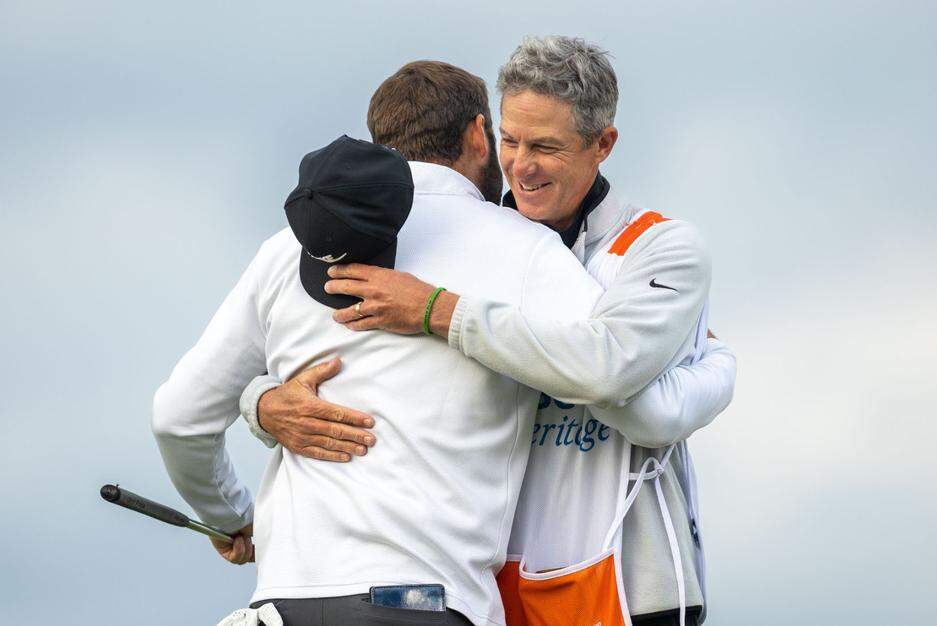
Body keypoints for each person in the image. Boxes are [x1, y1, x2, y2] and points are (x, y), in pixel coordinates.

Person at [244, 38, 736, 625]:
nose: (520, 165)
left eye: (546, 147)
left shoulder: (658, 247)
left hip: (625, 589)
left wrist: (440, 311)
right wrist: (263, 403)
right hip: (490, 590)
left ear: (603, 144)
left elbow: (630, 397)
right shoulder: (474, 240)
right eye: (510, 140)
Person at [153, 61, 609, 626]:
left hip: (282, 602)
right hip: (424, 602)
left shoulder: (289, 249)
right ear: (476, 134)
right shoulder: (526, 249)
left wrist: (231, 516)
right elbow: (613, 364)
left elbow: (178, 417)